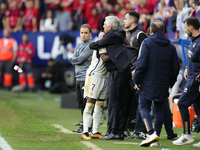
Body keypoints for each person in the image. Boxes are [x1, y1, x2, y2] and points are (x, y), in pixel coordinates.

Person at [133, 20, 179, 147]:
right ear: (163, 31)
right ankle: (155, 138)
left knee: (143, 106)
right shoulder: (170, 46)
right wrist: (170, 82)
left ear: (151, 31)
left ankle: (151, 133)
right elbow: (175, 66)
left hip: (147, 81)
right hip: (163, 83)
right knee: (159, 109)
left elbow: (141, 63)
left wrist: (136, 79)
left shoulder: (147, 42)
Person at [89, 16, 135, 140]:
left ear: (109, 27)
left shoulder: (110, 35)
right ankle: (119, 131)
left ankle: (112, 132)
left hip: (116, 71)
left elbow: (93, 45)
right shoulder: (120, 34)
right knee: (121, 103)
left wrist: (99, 41)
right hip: (124, 71)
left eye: (104, 24)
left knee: (114, 102)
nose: (103, 26)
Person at [173, 17, 200, 147]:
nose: (185, 30)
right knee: (198, 108)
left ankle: (186, 134)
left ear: (190, 28)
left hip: (196, 80)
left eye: (185, 27)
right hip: (192, 76)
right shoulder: (194, 41)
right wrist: (188, 68)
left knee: (182, 103)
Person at [123, 11, 147, 139]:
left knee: (140, 103)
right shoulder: (128, 35)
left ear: (132, 20)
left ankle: (141, 131)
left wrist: (137, 70)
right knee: (127, 102)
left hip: (136, 74)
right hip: (127, 73)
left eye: (125, 19)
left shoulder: (141, 35)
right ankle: (127, 129)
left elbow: (144, 55)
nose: (123, 21)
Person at [81, 31, 108, 140]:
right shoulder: (99, 45)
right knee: (90, 103)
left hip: (104, 77)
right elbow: (105, 59)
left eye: (104, 36)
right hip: (94, 76)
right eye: (100, 36)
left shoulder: (105, 45)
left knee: (100, 104)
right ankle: (85, 131)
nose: (102, 37)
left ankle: (95, 131)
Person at [69, 24, 93, 133]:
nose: (83, 35)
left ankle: (87, 127)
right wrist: (75, 59)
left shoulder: (91, 45)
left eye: (86, 33)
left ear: (90, 34)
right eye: (82, 33)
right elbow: (77, 60)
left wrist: (76, 59)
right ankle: (84, 126)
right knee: (80, 103)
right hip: (78, 77)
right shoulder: (78, 45)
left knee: (85, 103)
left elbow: (78, 60)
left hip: (85, 77)